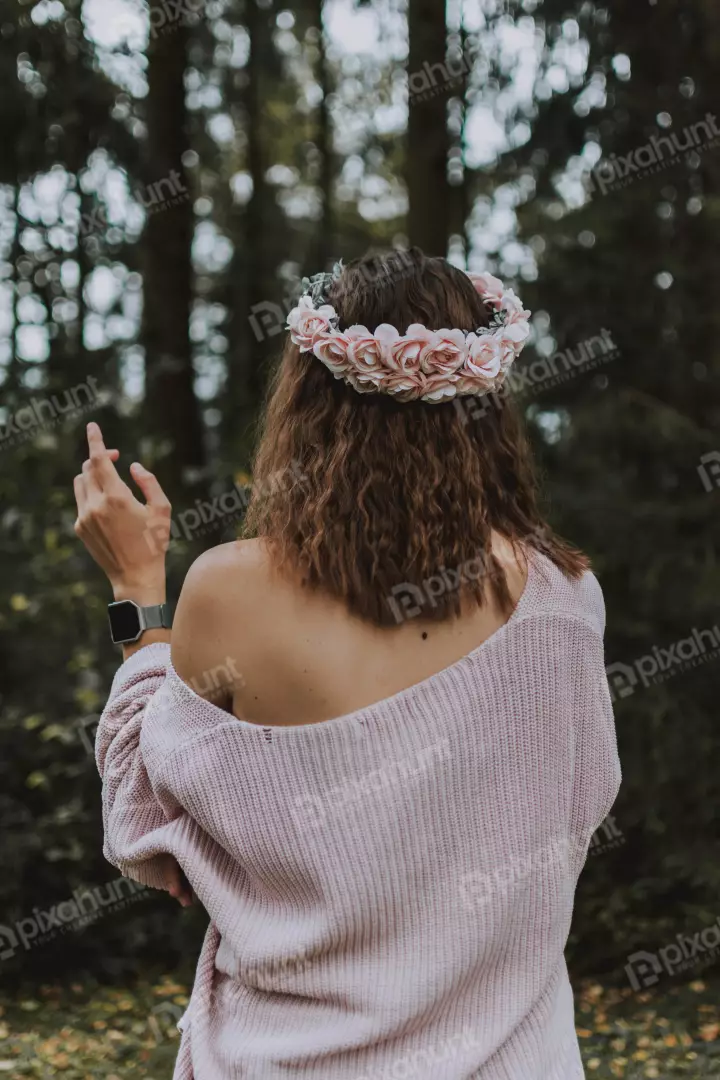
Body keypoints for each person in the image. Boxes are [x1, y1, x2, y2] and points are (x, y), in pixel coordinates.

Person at [73, 248, 621, 1079]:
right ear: (487, 401)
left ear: (308, 400)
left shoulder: (226, 589)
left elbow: (146, 830)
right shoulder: (566, 601)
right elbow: (581, 810)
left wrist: (136, 590)